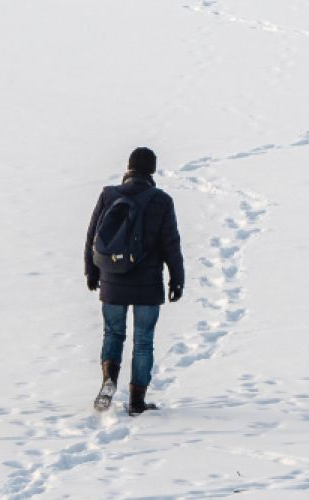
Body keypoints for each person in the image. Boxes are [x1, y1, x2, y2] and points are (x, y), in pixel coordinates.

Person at [84, 147, 185, 415]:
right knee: (143, 342)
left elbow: (92, 236)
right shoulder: (161, 201)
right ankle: (137, 401)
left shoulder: (108, 195)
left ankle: (108, 381)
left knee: (113, 333)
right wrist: (177, 279)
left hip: (112, 280)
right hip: (147, 285)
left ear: (128, 167)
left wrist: (91, 272)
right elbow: (171, 245)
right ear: (152, 170)